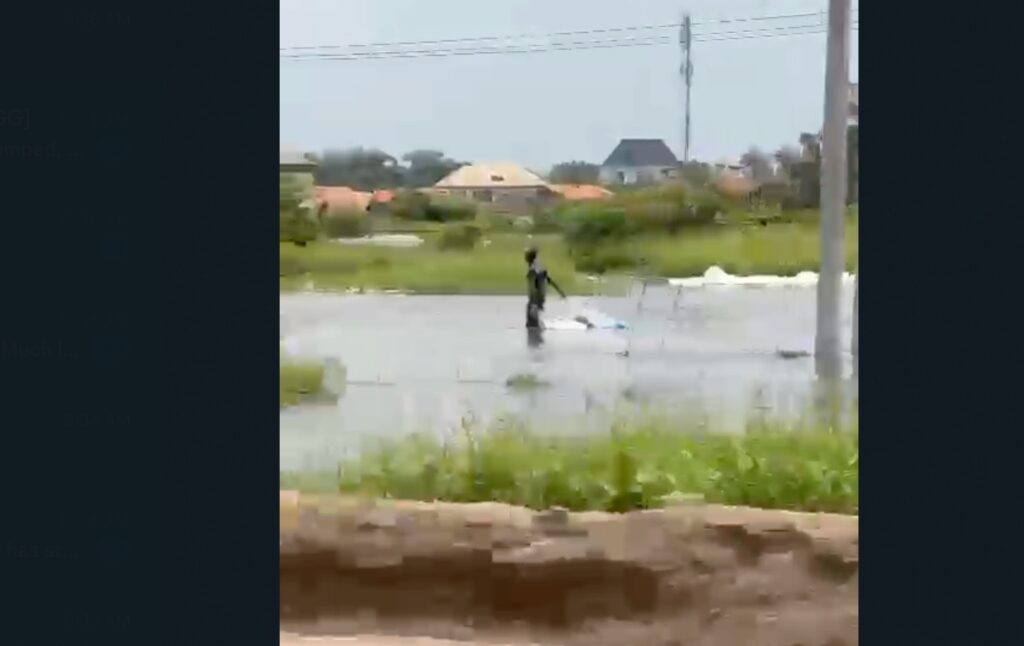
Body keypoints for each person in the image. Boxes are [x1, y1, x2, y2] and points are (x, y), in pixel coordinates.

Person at [524, 246, 566, 331]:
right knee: (534, 325)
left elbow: (534, 286)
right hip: (540, 299)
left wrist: (534, 304)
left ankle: (539, 331)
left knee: (532, 326)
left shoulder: (532, 270)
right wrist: (560, 291)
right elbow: (549, 280)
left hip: (534, 300)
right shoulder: (540, 267)